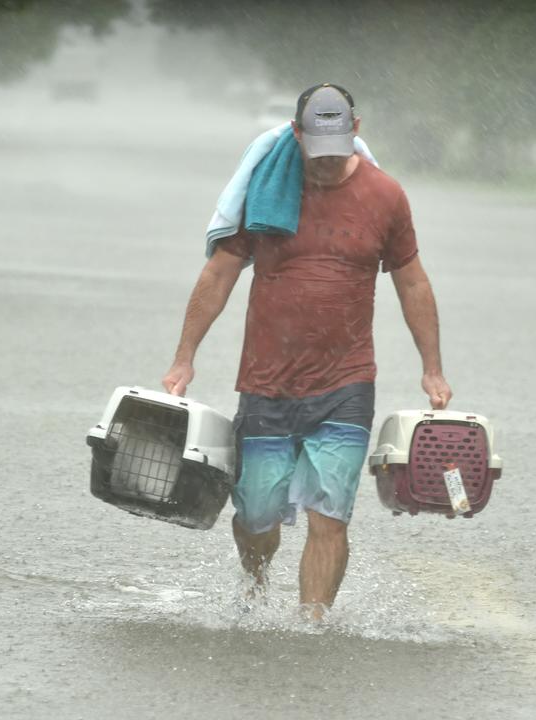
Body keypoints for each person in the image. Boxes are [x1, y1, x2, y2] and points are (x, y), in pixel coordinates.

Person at [162, 83, 451, 620]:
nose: (325, 164)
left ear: (356, 132)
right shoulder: (268, 191)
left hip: (346, 385)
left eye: (337, 151)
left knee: (329, 515)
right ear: (297, 135)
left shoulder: (386, 196)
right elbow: (221, 272)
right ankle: (257, 579)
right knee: (257, 517)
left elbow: (411, 283)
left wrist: (431, 369)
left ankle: (310, 627)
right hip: (267, 382)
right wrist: (185, 357)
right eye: (316, 151)